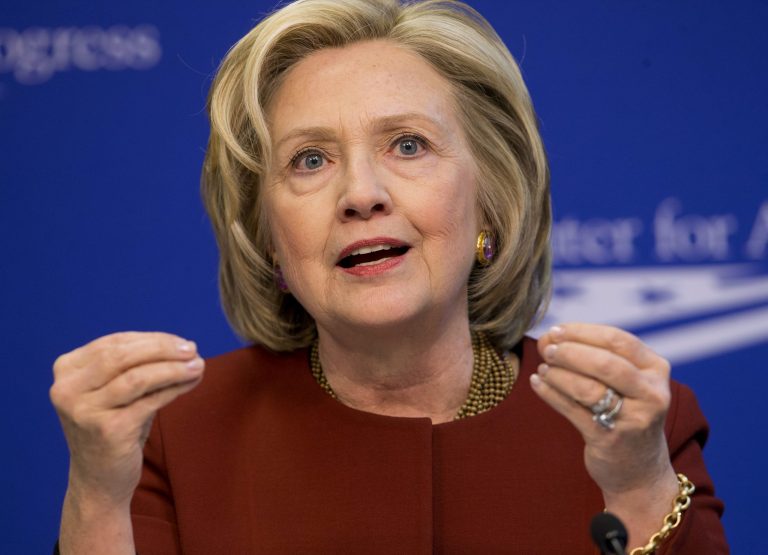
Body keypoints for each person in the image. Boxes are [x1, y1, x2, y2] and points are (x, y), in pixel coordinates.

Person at [50, 0, 728, 553]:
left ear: (492, 200)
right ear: (268, 235)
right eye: (310, 160)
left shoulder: (632, 425)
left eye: (408, 145)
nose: (360, 194)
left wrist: (637, 486)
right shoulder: (176, 435)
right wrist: (98, 494)